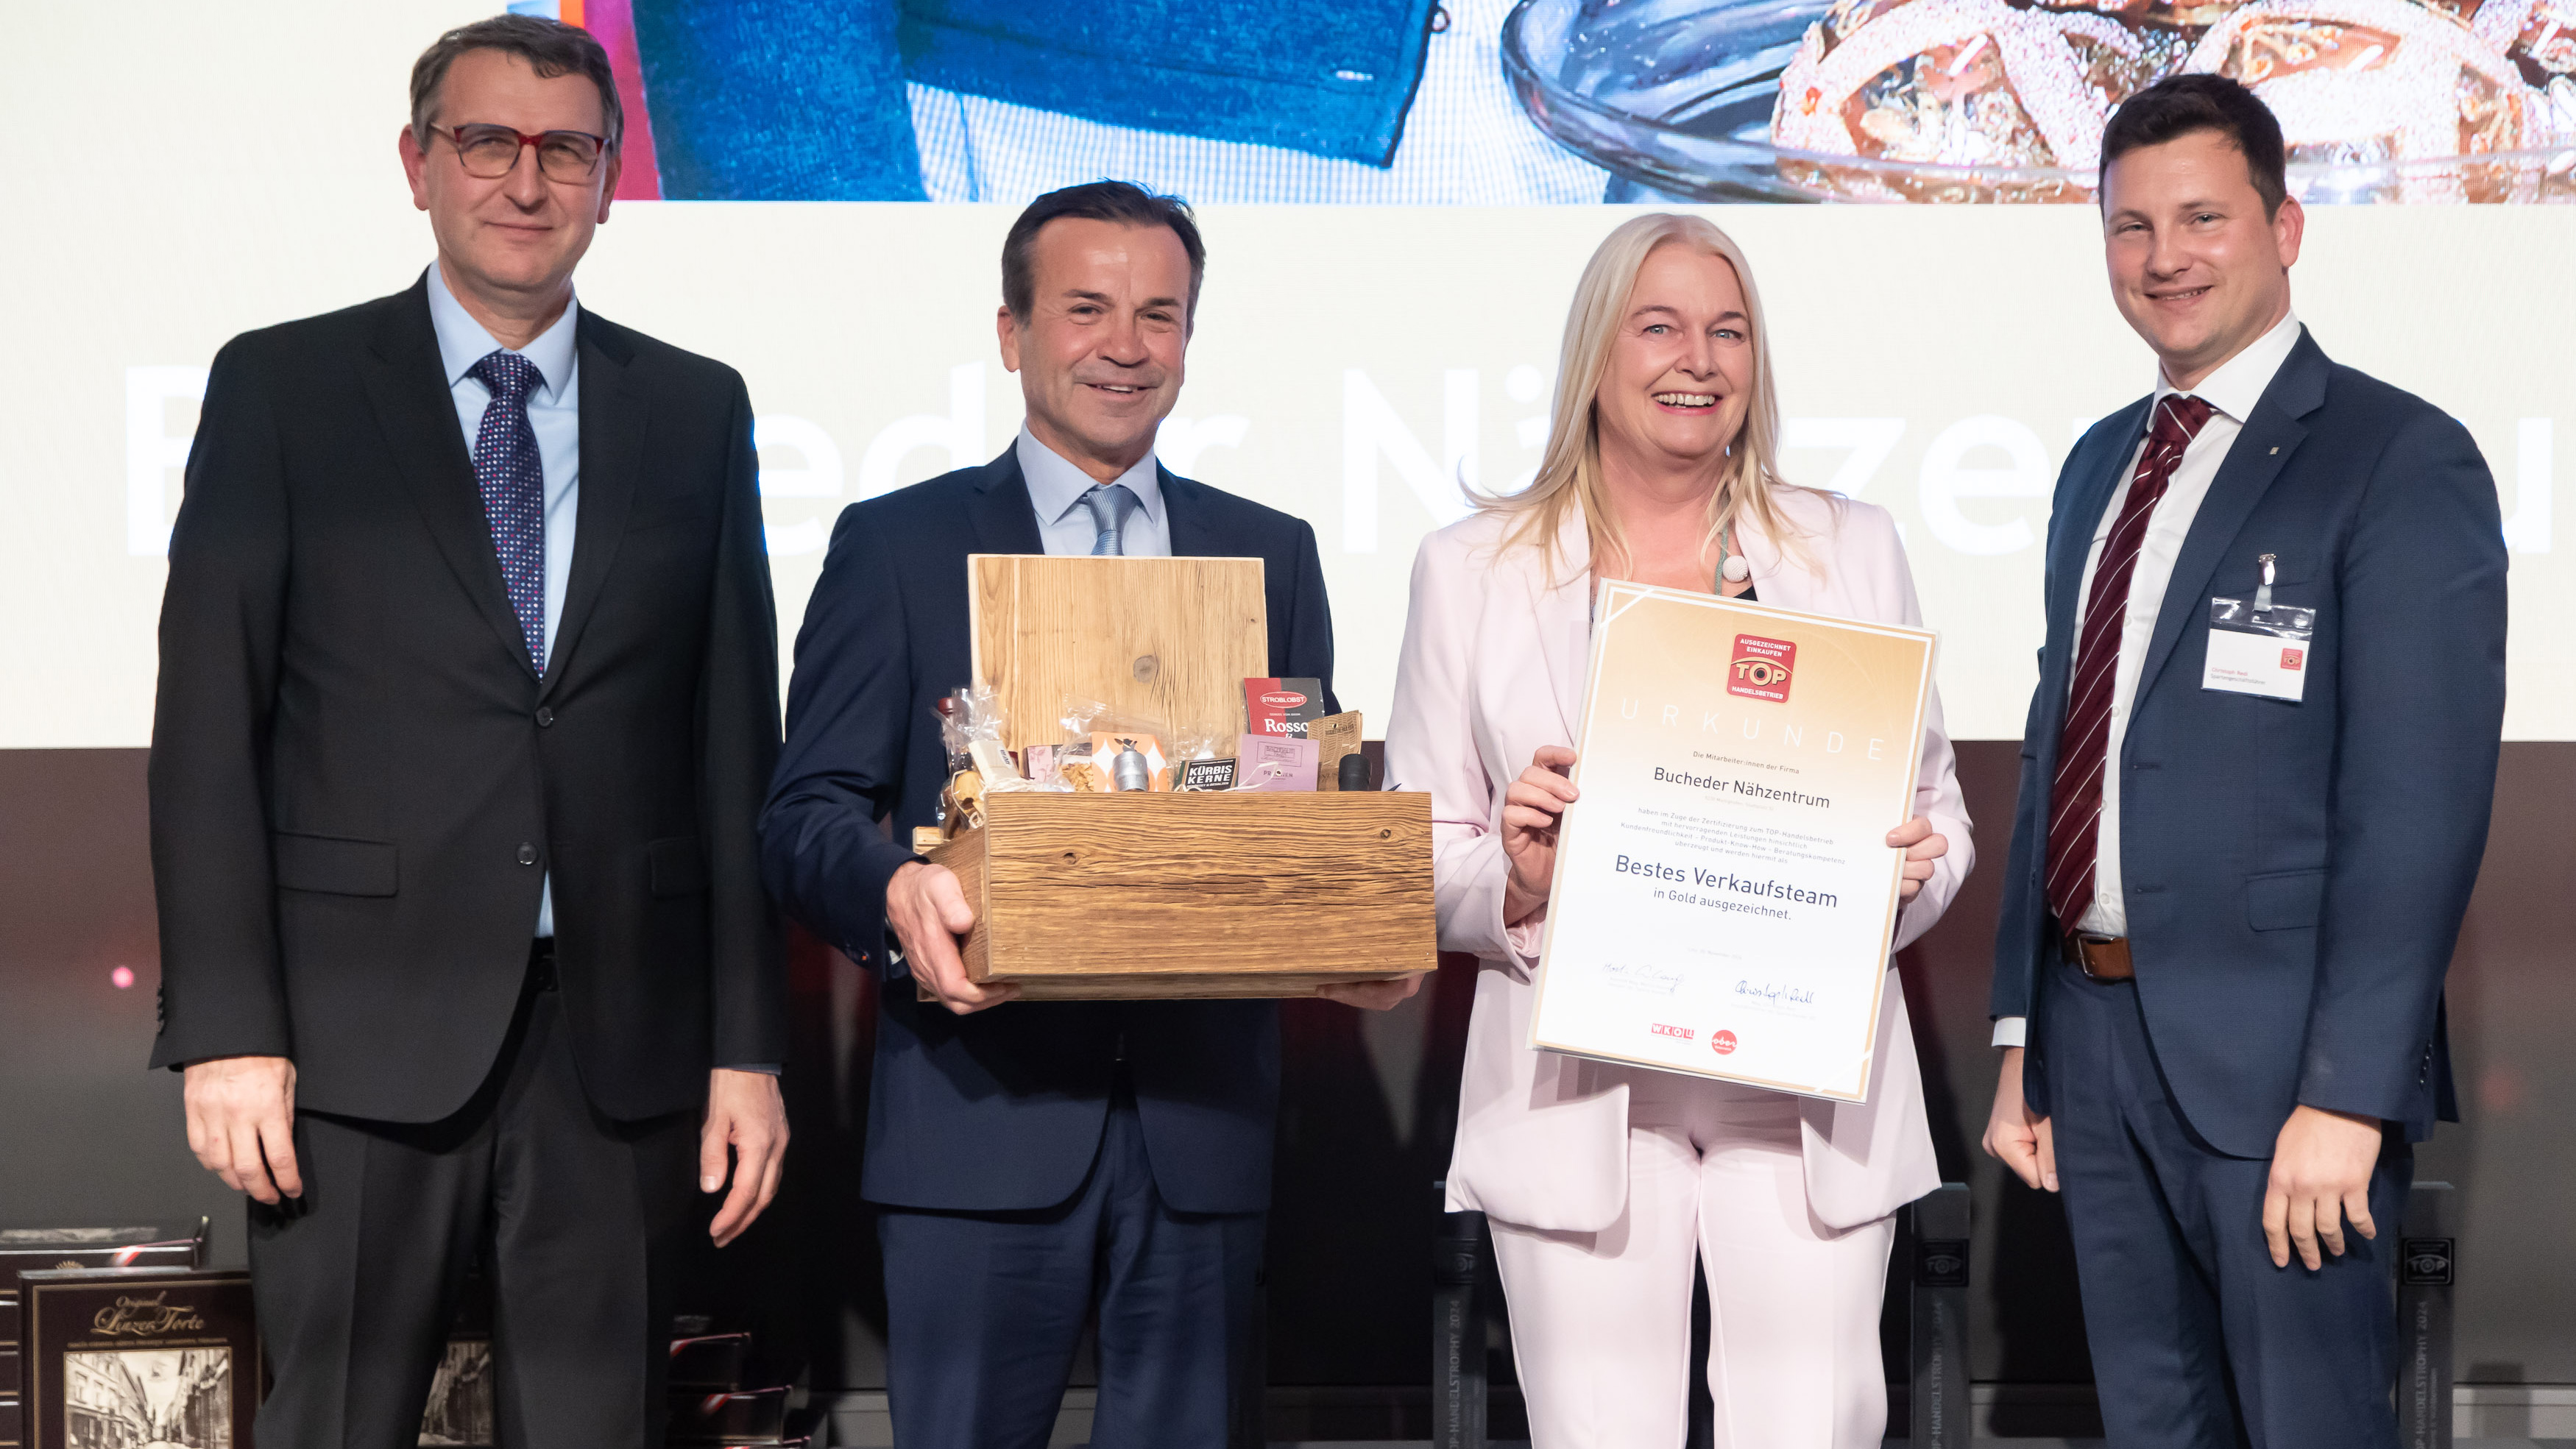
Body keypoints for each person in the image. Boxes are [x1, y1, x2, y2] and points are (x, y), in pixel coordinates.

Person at [148, 16, 789, 1448]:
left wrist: (747, 1047)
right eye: (487, 141)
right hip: (350, 1040)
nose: (525, 179)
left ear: (611, 180)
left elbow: (734, 744)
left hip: (617, 1044)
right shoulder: (284, 388)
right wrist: (229, 1030)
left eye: (566, 149)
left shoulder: (696, 410)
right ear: (417, 163)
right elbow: (206, 727)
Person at [760, 180, 1418, 1449]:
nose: (1126, 344)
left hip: (1201, 1128)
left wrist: (1350, 918)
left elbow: (1293, 799)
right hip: (976, 1121)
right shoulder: (898, 545)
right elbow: (806, 814)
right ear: (1011, 332)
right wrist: (897, 889)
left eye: (1159, 315)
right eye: (1086, 309)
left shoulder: (1271, 552)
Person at [1383, 212, 1973, 1448]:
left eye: (1728, 331)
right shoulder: (1472, 567)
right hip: (1575, 1091)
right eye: (1659, 327)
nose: (1697, 360)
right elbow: (1425, 855)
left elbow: (1940, 819)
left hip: (1803, 1084)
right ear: (1597, 353)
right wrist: (1519, 878)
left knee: (1812, 1429)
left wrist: (1904, 876)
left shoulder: (1850, 546)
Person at [1981, 76, 2508, 1449]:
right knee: (2151, 1426)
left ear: (2286, 227)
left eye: (2204, 218)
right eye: (2132, 226)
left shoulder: (2399, 458)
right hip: (2093, 1052)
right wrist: (2023, 1034)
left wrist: (2348, 1092)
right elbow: (2059, 745)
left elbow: (2417, 811)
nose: (2166, 257)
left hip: (2284, 1079)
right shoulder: (2097, 464)